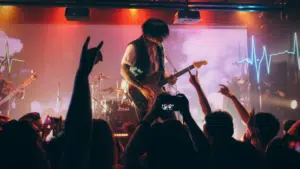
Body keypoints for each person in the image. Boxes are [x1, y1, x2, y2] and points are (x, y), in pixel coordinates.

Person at [120, 18, 177, 120]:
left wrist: (169, 78)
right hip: (140, 91)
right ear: (148, 34)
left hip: (158, 91)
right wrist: (141, 88)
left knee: (171, 118)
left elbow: (161, 70)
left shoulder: (160, 47)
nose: (162, 39)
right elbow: (123, 70)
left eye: (163, 36)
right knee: (146, 123)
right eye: (159, 36)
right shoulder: (134, 47)